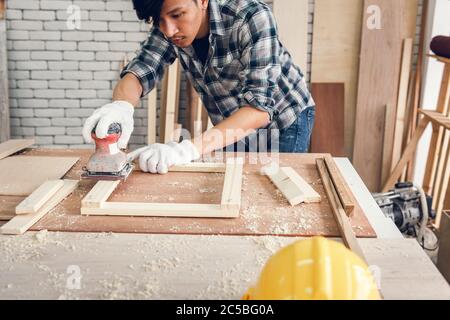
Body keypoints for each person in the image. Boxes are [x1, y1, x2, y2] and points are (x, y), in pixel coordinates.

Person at [82, 0, 315, 174]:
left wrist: (186, 150)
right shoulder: (168, 26)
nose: (169, 30)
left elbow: (259, 109)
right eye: (159, 21)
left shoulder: (251, 16)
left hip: (283, 119)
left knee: (274, 188)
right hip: (232, 119)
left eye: (177, 15)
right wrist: (121, 106)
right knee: (231, 181)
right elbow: (142, 68)